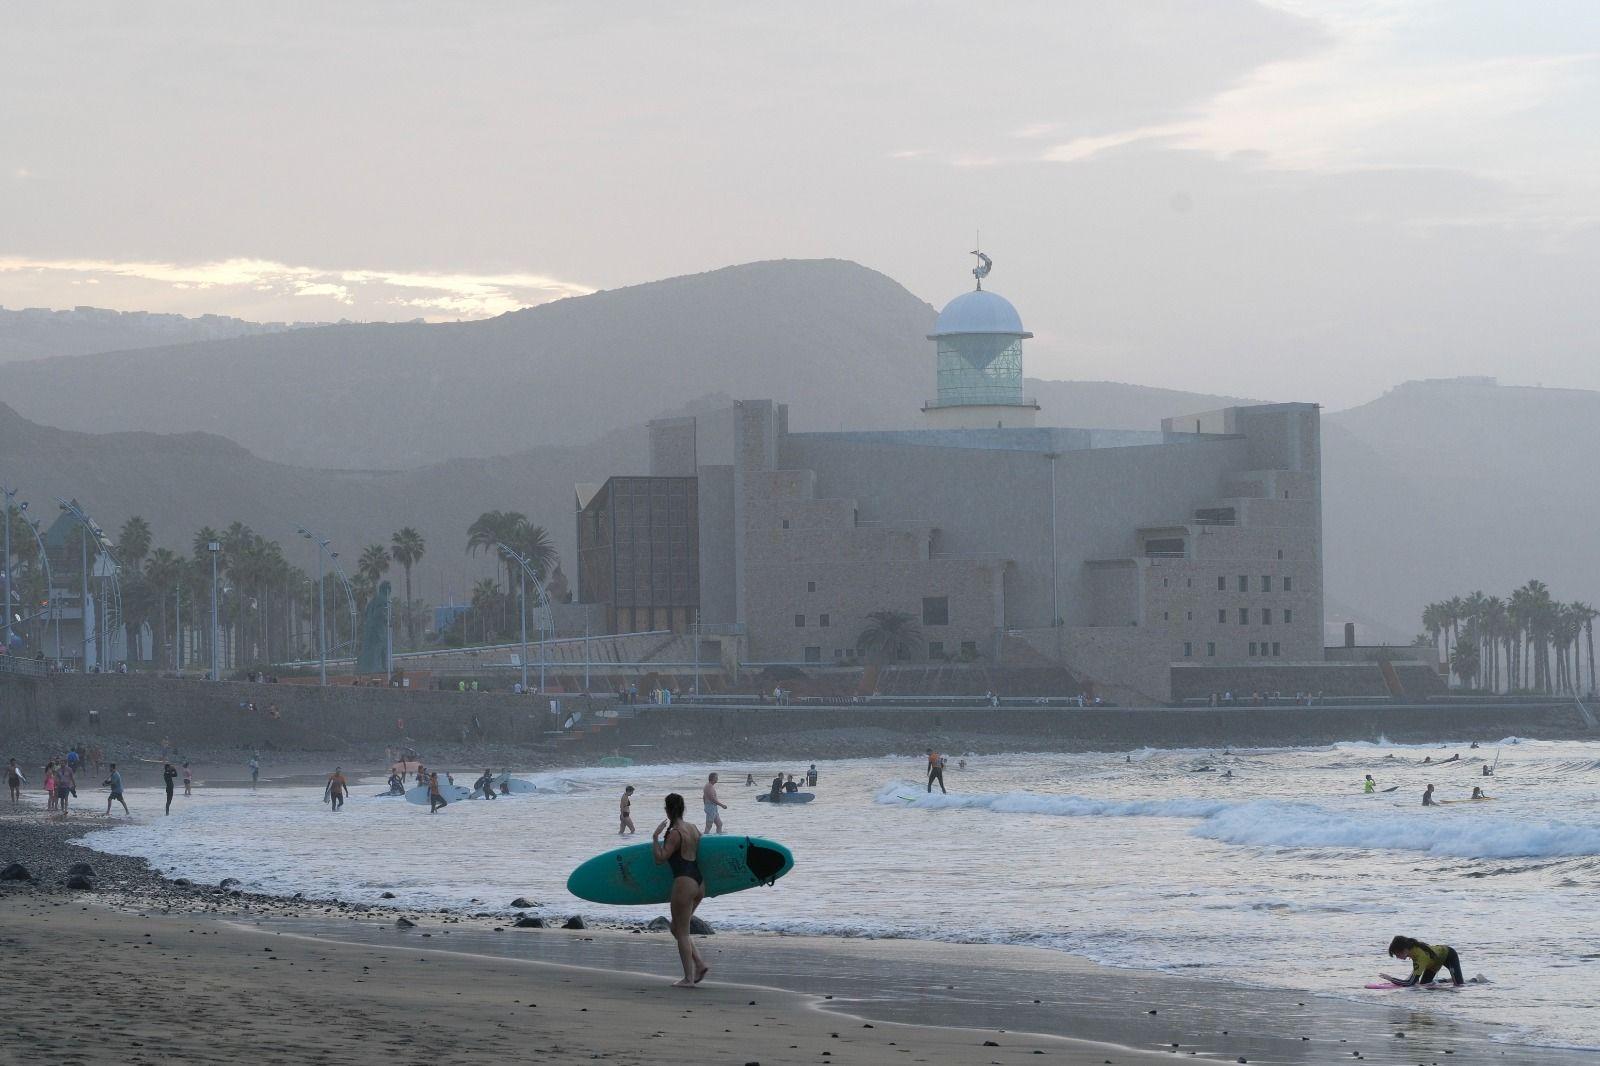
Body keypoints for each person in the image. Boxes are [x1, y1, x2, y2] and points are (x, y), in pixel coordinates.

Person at [651, 792, 709, 987]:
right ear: (682, 809)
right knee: (676, 927)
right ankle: (699, 964)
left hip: (684, 883)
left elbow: (660, 858)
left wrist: (655, 837)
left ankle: (688, 979)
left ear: (668, 810)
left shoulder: (674, 833)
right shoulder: (693, 828)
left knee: (682, 932)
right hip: (700, 883)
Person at [1384, 935, 1464, 987]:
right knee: (1425, 985)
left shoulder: (1420, 956)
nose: (1397, 957)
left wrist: (1391, 979)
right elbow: (1415, 975)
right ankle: (1447, 980)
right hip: (1433, 963)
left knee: (1459, 985)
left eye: (1397, 954)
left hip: (1448, 955)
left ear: (1404, 950)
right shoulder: (1411, 950)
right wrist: (1413, 980)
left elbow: (1410, 983)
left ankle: (1474, 980)